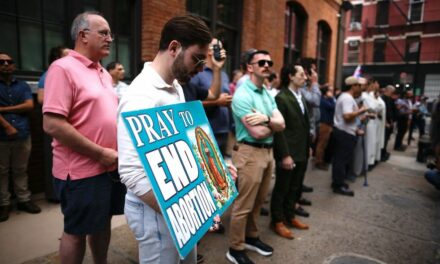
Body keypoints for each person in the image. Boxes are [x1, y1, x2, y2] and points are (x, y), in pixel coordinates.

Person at [117, 15, 212, 264]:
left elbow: (181, 145)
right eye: (197, 58)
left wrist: (214, 169)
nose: (201, 68)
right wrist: (186, 210)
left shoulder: (176, 87)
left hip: (177, 204)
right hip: (154, 211)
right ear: (174, 48)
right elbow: (131, 172)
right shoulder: (140, 96)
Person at [43, 12, 125, 263]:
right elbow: (53, 124)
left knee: (102, 223)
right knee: (76, 232)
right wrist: (100, 152)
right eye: (103, 33)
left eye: (110, 33)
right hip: (81, 171)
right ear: (82, 35)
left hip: (110, 167)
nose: (110, 38)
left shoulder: (102, 72)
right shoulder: (62, 68)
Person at [227, 50, 285, 264]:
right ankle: (235, 248)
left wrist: (266, 119)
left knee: (259, 201)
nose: (267, 65)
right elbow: (258, 132)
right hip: (249, 152)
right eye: (261, 62)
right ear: (250, 67)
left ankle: (251, 237)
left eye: (269, 61)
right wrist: (273, 124)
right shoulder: (243, 94)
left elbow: (282, 123)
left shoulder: (267, 93)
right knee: (244, 204)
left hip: (267, 153)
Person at [270, 64, 310, 240]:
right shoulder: (282, 98)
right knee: (282, 187)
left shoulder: (301, 97)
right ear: (291, 77)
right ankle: (277, 221)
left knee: (295, 186)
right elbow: (280, 130)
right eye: (301, 74)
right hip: (289, 152)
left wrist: (308, 145)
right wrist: (285, 154)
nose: (305, 77)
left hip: (301, 150)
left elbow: (303, 126)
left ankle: (290, 216)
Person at [0, 52, 41, 222]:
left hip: (22, 134)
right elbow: (23, 106)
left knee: (21, 169)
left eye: (10, 61)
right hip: (1, 135)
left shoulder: (22, 85)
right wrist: (7, 125)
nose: (6, 64)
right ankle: (4, 204)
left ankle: (24, 200)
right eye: (2, 62)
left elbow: (29, 105)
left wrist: (2, 109)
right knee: (2, 171)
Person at [187, 38, 231, 155]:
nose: (221, 51)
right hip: (205, 131)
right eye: (218, 47)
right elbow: (190, 103)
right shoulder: (197, 73)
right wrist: (217, 102)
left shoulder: (223, 74)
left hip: (223, 130)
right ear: (209, 50)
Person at [331, 76, 368, 196]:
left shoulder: (346, 97)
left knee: (339, 160)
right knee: (341, 161)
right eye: (359, 85)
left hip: (344, 132)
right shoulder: (347, 98)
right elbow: (347, 116)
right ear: (353, 86)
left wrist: (357, 127)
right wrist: (361, 110)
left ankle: (338, 182)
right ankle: (338, 185)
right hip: (344, 134)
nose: (361, 88)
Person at [314, 85, 336, 170]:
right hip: (324, 124)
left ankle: (321, 160)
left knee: (324, 144)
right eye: (330, 91)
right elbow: (332, 106)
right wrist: (331, 98)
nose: (331, 93)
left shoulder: (325, 99)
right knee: (321, 144)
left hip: (328, 124)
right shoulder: (323, 100)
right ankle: (318, 161)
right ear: (326, 92)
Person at [381, 85, 397, 161]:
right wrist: (386, 122)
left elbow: (392, 110)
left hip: (390, 121)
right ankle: (382, 153)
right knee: (383, 138)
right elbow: (383, 112)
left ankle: (384, 151)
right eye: (391, 92)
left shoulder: (390, 99)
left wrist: (392, 121)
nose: (392, 93)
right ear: (388, 90)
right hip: (384, 122)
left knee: (387, 138)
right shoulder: (382, 98)